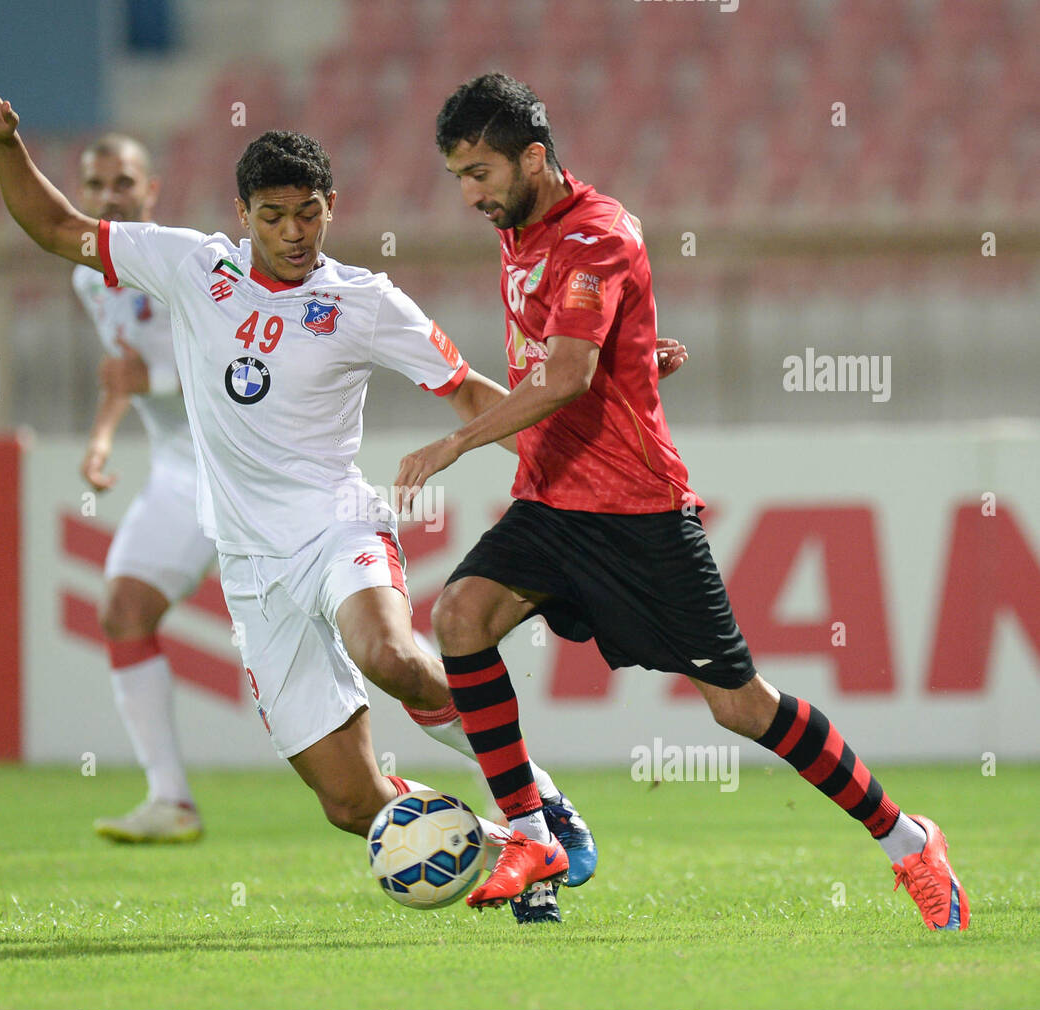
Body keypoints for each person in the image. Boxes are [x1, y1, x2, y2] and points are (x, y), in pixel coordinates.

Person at [0, 89, 614, 922]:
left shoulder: (364, 301)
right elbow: (57, 229)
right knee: (351, 802)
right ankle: (510, 849)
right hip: (251, 567)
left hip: (339, 524)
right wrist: (7, 146)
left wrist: (592, 465)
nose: (296, 233)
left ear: (331, 208)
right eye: (275, 217)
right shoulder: (192, 266)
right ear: (244, 214)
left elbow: (471, 394)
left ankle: (537, 804)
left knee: (391, 656)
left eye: (310, 214)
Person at [395, 73, 968, 931]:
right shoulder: (521, 229)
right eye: (458, 178)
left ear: (535, 158)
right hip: (552, 501)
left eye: (480, 173)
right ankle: (530, 833)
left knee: (742, 704)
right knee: (461, 617)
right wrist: (633, 359)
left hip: (636, 512)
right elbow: (579, 357)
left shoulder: (597, 233)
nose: (470, 195)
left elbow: (567, 373)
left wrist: (455, 440)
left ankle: (907, 839)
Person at [71, 133, 217, 843]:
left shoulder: (182, 264)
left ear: (151, 191)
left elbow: (242, 371)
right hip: (180, 473)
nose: (108, 197)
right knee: (124, 607)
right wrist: (101, 442)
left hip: (251, 471)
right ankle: (171, 800)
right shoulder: (86, 276)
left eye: (122, 183)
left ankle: (507, 780)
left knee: (370, 642)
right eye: (95, 186)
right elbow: (123, 371)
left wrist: (147, 382)